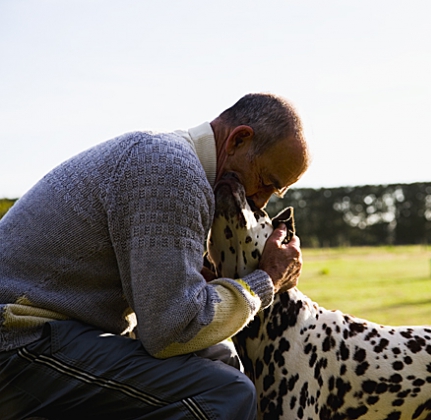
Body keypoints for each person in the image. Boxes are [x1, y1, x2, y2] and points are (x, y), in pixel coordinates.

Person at [0, 93, 310, 419]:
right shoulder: (172, 172)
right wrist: (267, 281)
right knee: (225, 392)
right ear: (239, 140)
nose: (259, 202)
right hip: (16, 340)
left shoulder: (167, 159)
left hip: (37, 337)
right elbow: (171, 331)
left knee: (220, 358)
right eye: (265, 183)